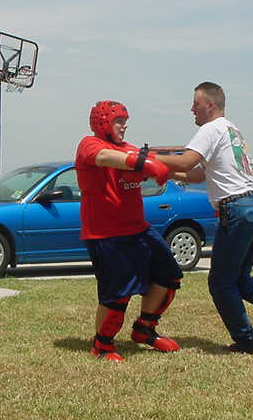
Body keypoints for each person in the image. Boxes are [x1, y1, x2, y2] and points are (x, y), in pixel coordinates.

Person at [157, 82, 253, 353]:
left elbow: (186, 161)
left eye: (196, 103)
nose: (192, 109)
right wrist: (167, 172)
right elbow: (199, 173)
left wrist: (148, 158)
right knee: (238, 279)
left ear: (210, 105)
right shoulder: (231, 130)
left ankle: (247, 341)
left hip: (238, 209)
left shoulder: (210, 129)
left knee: (221, 283)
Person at [75, 100, 183, 361]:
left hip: (138, 229)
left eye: (125, 121)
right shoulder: (90, 144)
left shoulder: (129, 148)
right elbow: (104, 157)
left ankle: (145, 329)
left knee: (169, 275)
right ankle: (102, 345)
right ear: (103, 123)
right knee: (118, 293)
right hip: (106, 233)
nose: (124, 126)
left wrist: (193, 170)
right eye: (118, 121)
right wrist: (141, 162)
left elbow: (159, 163)